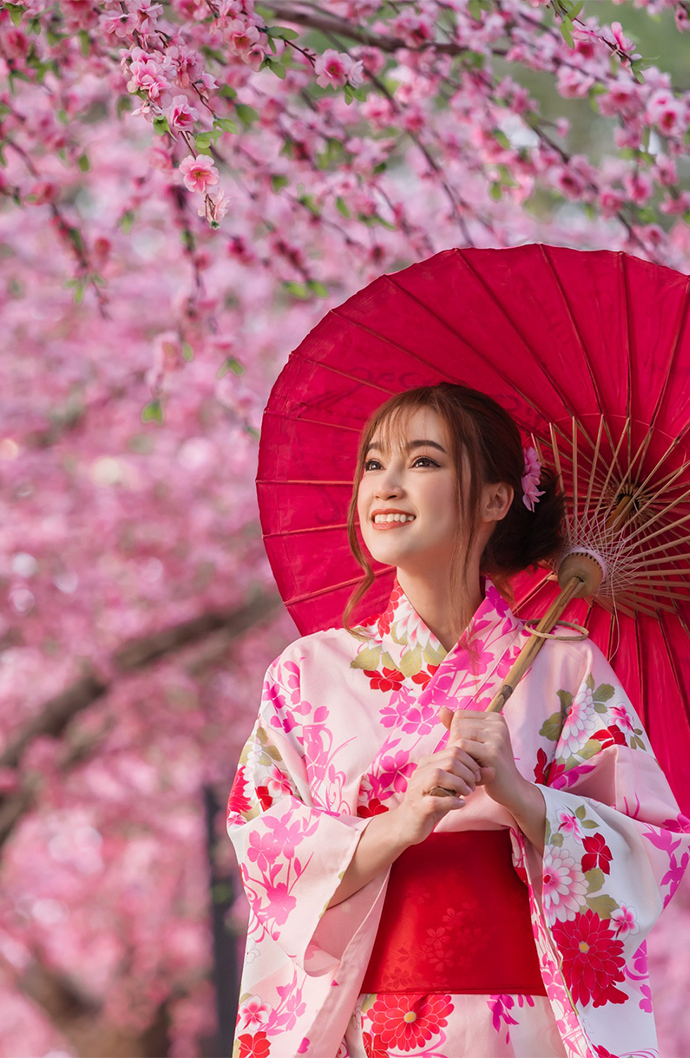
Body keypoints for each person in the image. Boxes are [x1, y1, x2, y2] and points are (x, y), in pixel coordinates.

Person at [226, 383, 689, 1058]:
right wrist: (397, 827)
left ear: (497, 499)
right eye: (374, 464)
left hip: (530, 1022)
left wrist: (521, 795)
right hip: (370, 1018)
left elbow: (654, 847)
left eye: (422, 462)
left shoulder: (566, 668)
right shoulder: (309, 672)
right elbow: (263, 844)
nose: (385, 486)